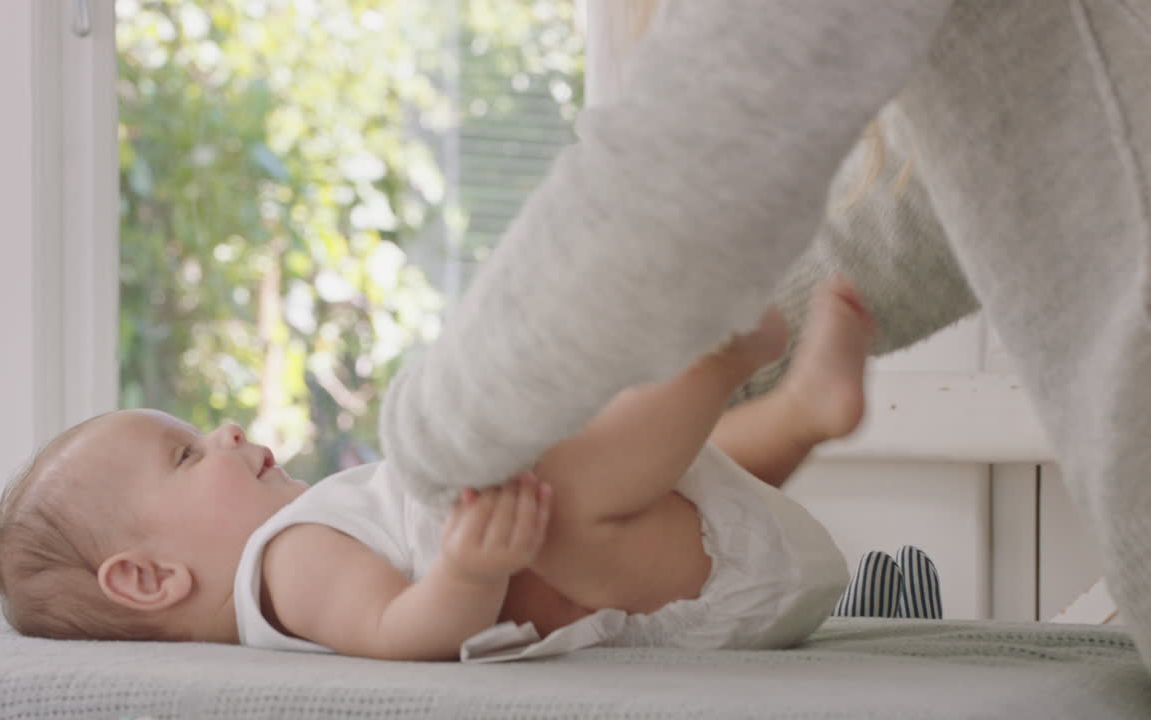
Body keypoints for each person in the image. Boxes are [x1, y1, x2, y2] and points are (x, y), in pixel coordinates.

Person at [377, 2, 1151, 671]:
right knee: (650, 487)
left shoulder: (296, 552)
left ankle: (773, 398)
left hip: (694, 552)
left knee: (570, 512)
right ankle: (787, 405)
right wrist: (710, 356)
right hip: (720, 540)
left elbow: (677, 176)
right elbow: (944, 214)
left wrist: (428, 443)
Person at [0, 280, 872, 661]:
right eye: (183, 454)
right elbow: (402, 632)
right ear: (147, 577)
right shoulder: (281, 567)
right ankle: (718, 363)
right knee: (556, 497)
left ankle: (799, 414)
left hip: (696, 559)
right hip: (681, 589)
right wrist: (473, 568)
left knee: (629, 479)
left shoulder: (318, 524)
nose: (220, 430)